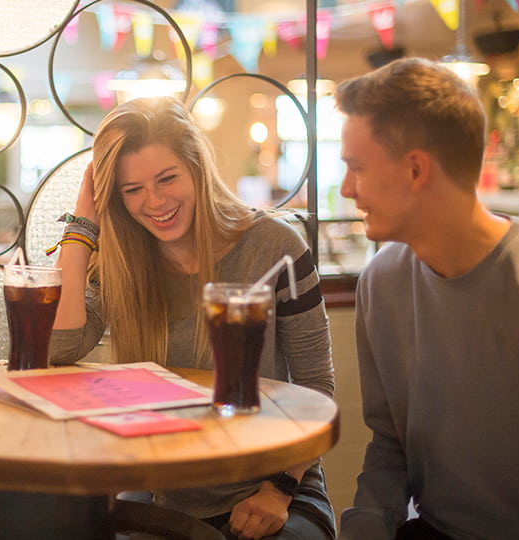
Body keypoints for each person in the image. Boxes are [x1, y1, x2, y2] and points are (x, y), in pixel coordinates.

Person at [334, 57, 519, 539]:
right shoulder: (381, 283)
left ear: (416, 170)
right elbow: (390, 444)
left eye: (356, 167)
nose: (346, 188)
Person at [47, 96, 336, 540]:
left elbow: (317, 387)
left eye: (167, 178)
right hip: (164, 491)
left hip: (274, 484)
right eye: (133, 189)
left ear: (197, 167)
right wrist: (82, 225)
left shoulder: (275, 247)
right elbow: (60, 347)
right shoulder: (120, 264)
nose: (155, 201)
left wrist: (277, 491)